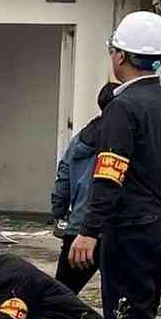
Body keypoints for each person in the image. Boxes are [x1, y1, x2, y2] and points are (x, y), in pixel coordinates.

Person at [68, 10, 161, 319]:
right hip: (158, 226)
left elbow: (109, 173)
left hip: (127, 227)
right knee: (142, 314)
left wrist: (89, 230)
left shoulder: (124, 107)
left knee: (125, 317)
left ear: (120, 56)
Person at [50, 82, 119, 294]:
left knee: (61, 293)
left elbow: (63, 177)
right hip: (114, 226)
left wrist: (59, 213)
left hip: (79, 224)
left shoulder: (80, 138)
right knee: (119, 299)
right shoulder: (121, 137)